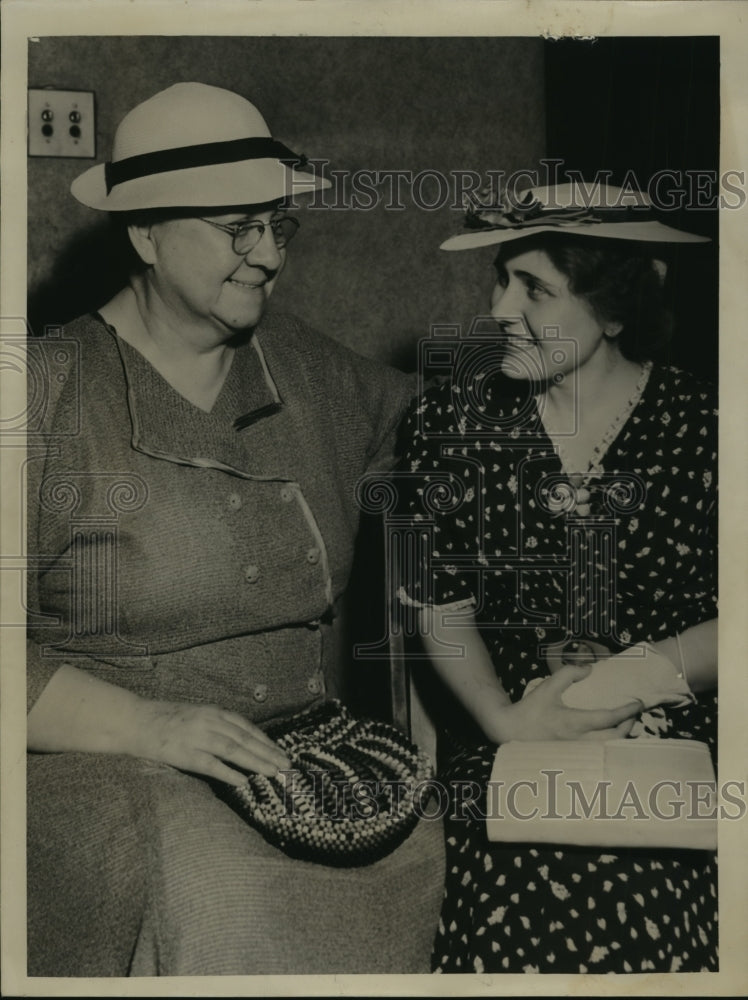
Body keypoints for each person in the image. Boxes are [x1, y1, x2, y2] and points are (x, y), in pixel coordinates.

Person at [25, 81, 445, 977]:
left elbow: (438, 444)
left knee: (436, 844)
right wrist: (147, 724)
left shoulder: (309, 372)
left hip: (307, 760)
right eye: (236, 229)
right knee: (216, 889)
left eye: (278, 227)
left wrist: (430, 682)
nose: (268, 258)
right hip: (108, 765)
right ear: (144, 233)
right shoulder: (42, 389)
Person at [395, 182, 717, 973]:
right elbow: (438, 605)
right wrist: (507, 722)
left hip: (676, 745)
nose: (503, 307)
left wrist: (628, 684)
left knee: (660, 895)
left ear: (614, 310)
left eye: (534, 287)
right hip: (507, 742)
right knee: (527, 902)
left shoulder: (710, 428)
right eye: (502, 278)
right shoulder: (450, 424)